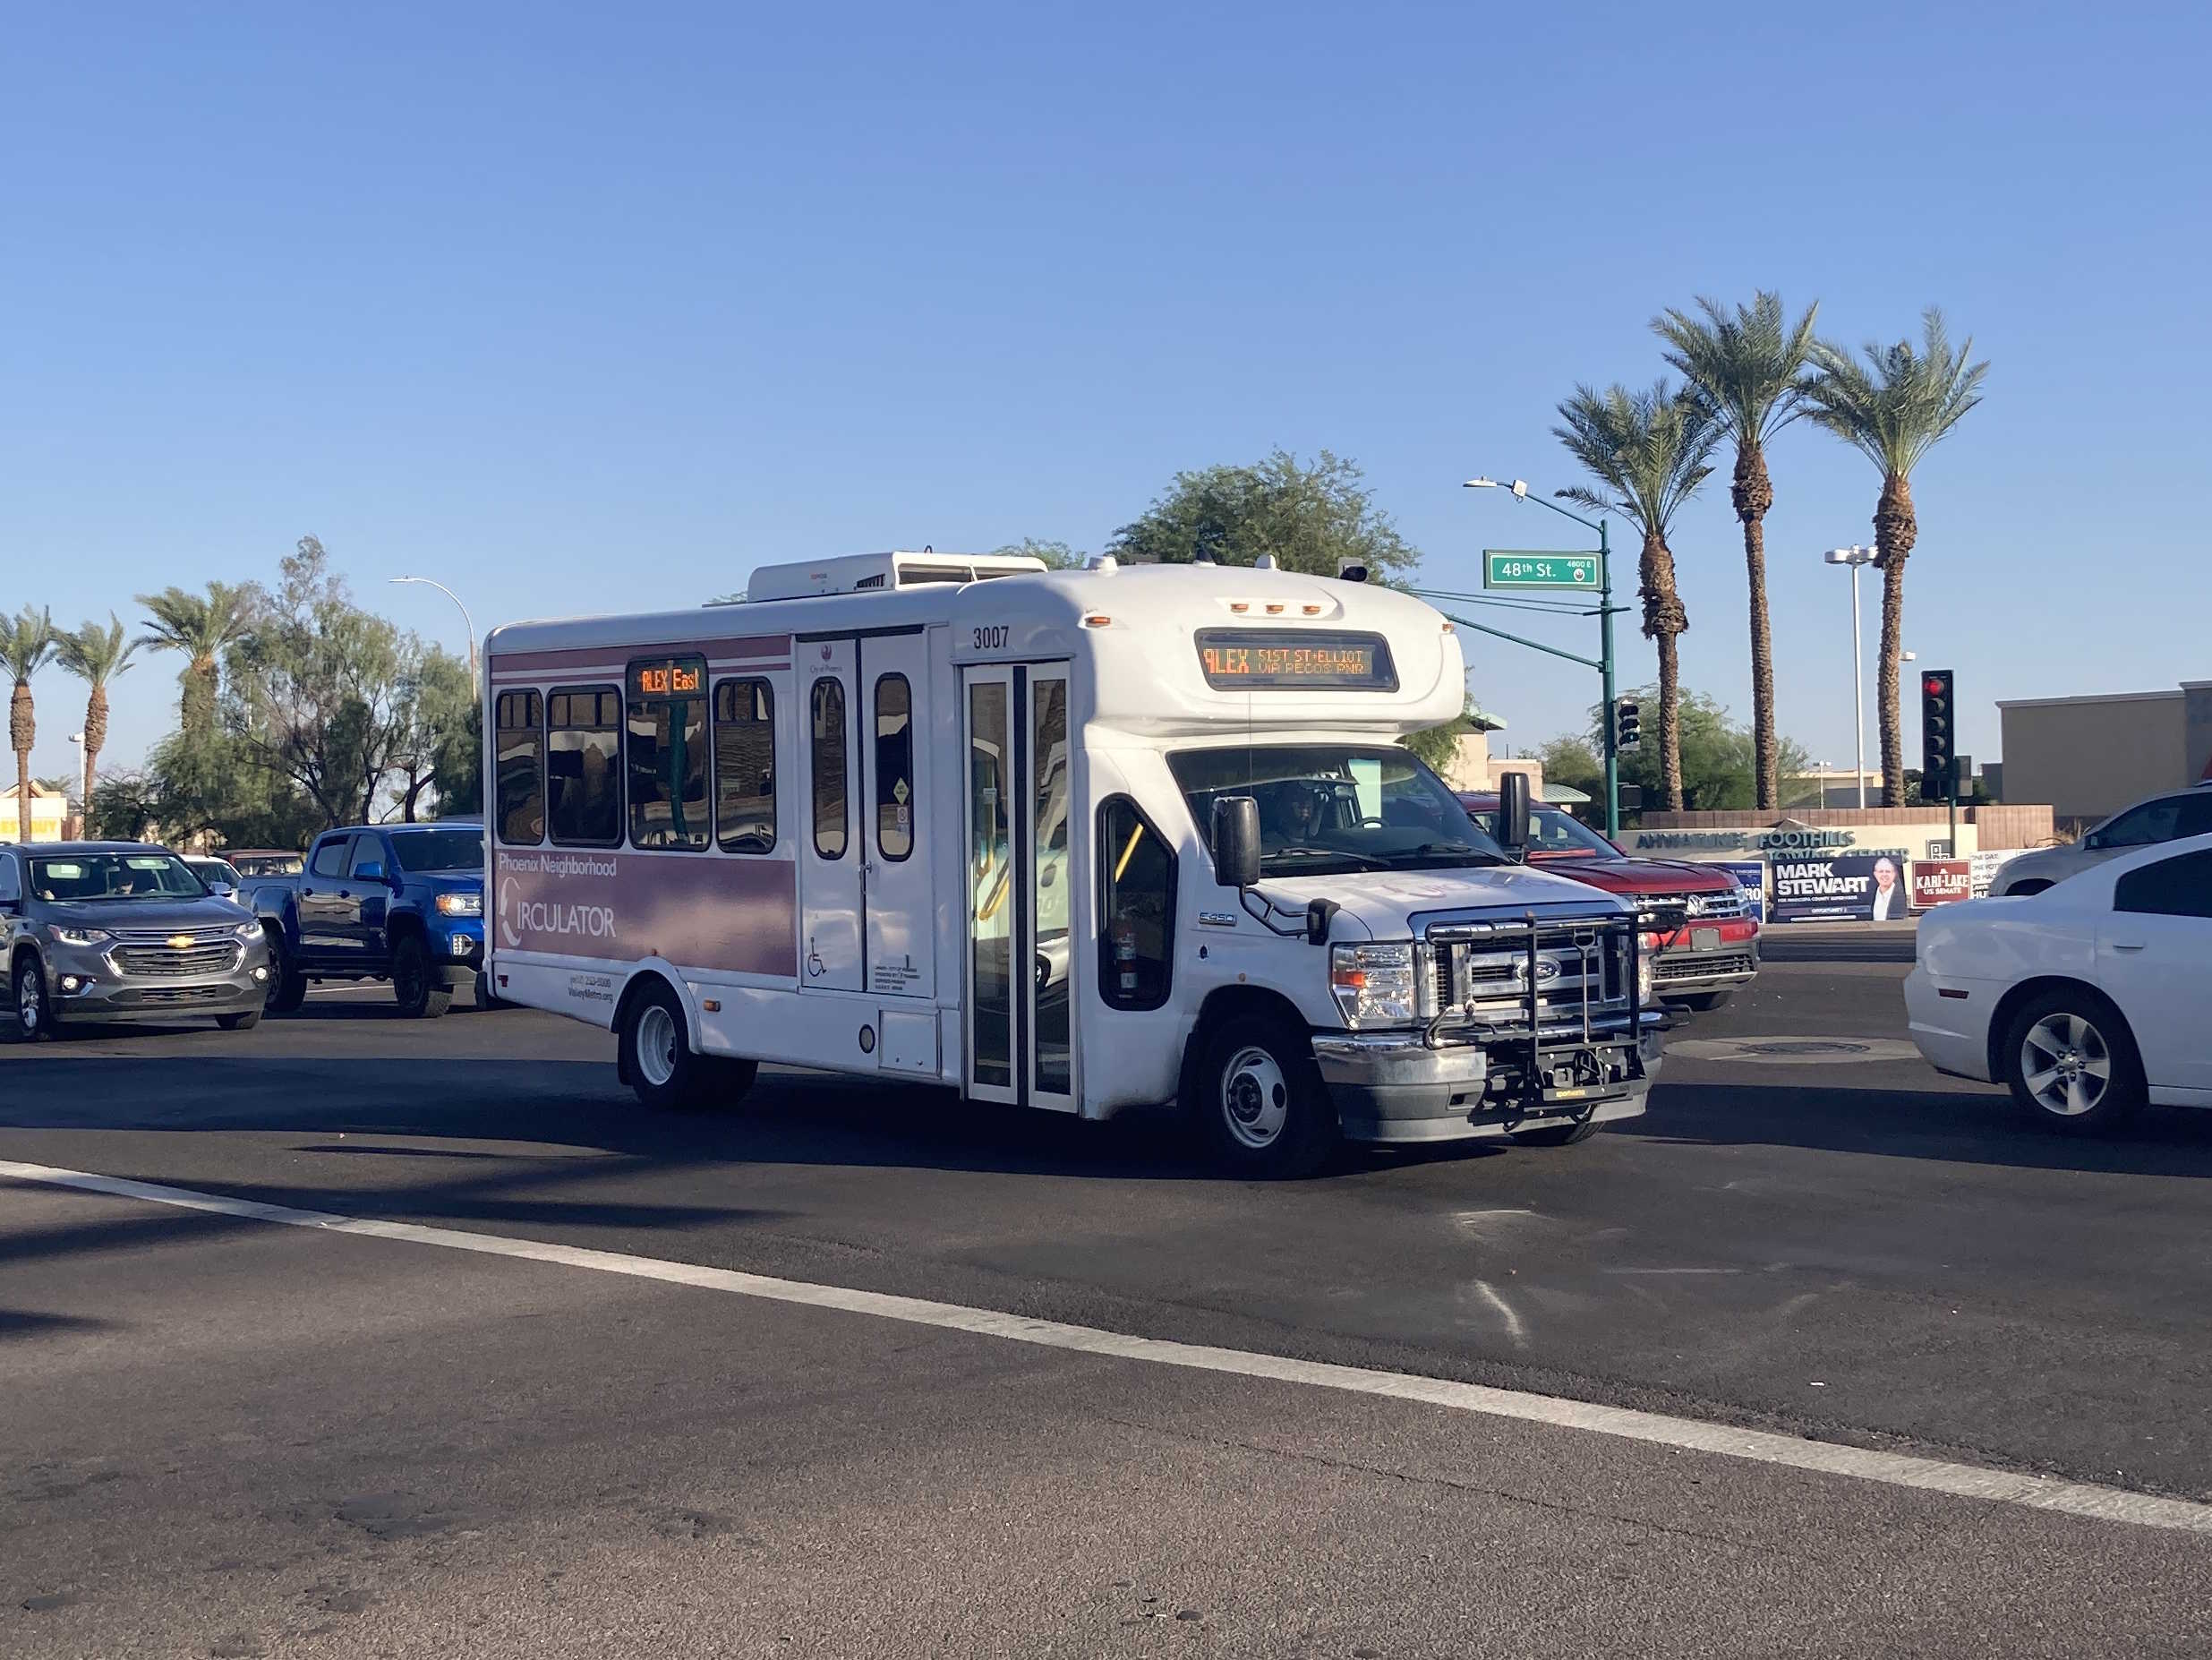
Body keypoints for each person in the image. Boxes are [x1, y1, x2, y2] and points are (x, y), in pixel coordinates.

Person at [1869, 855, 1902, 920]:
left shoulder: (1900, 895)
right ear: (1875, 874)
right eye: (1881, 871)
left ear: (1894, 874)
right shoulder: (1870, 895)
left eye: (1888, 871)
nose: (1884, 875)